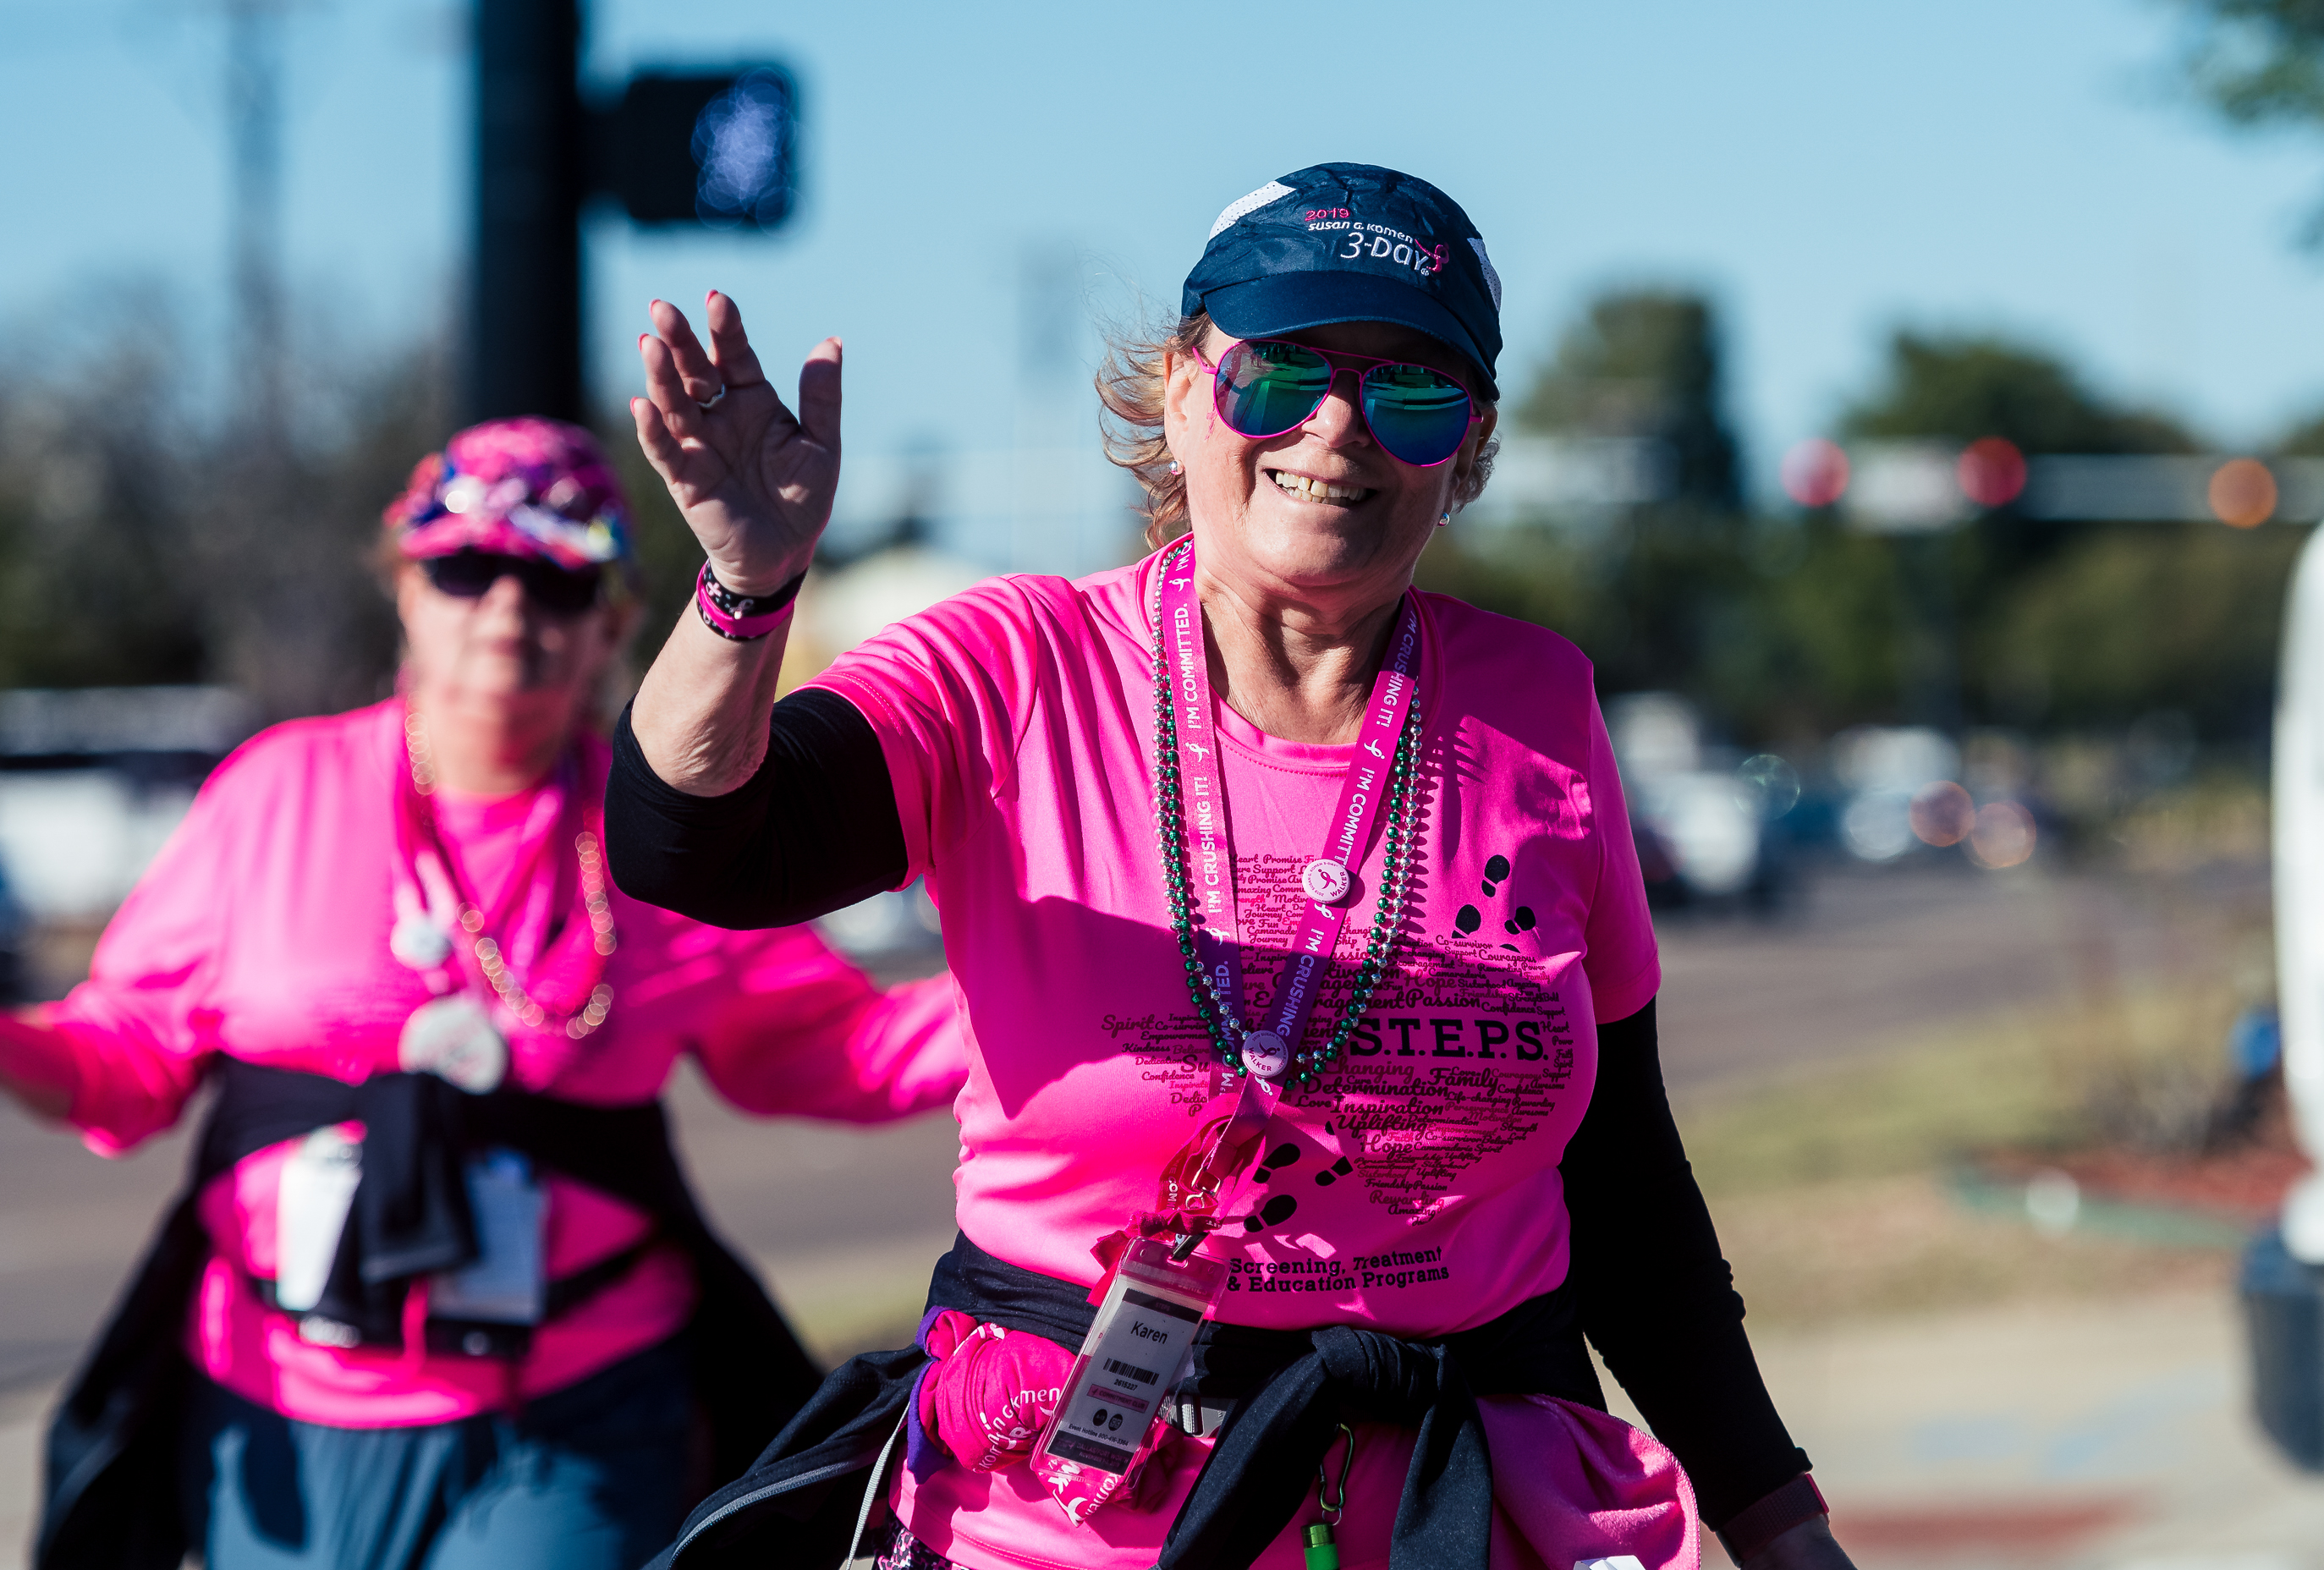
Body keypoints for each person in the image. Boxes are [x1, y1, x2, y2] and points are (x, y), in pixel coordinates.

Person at [610, 164, 1856, 1570]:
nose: (1338, 425)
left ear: (1469, 448)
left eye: (1414, 390)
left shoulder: (1539, 706)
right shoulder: (1017, 667)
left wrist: (1784, 1530)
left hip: (1457, 1513)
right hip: (1071, 1521)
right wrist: (747, 591)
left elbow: (1624, 1187)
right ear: (1181, 388)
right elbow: (693, 844)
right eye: (1283, 372)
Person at [0, 417, 967, 1570]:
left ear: (612, 621)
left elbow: (839, 1049)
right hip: (277, 1409)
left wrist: (1055, 999)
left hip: (570, 1417)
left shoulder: (659, 838)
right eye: (468, 570)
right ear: (407, 590)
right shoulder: (275, 791)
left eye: (558, 584)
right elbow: (123, 1060)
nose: (510, 609)